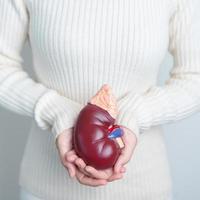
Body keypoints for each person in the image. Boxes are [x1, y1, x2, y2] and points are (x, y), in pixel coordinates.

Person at [0, 0, 199, 199]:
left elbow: (194, 77)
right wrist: (56, 111)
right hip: (44, 188)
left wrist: (135, 115)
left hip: (144, 189)